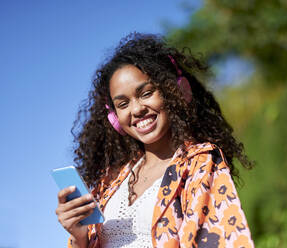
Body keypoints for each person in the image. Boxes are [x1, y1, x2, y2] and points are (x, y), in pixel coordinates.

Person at [55, 33, 255, 248]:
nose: (137, 109)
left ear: (175, 91)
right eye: (123, 104)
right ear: (114, 119)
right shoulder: (109, 183)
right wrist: (79, 236)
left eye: (146, 93)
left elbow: (219, 239)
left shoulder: (199, 164)